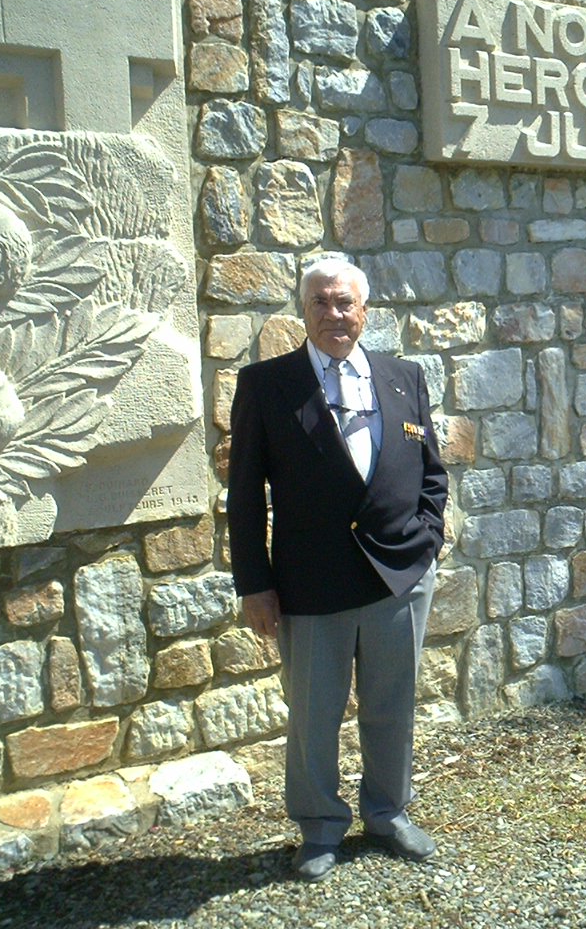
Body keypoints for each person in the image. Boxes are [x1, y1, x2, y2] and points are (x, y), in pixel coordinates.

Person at [228, 256, 448, 882]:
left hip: (398, 579)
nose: (334, 314)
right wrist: (255, 583)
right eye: (321, 302)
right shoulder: (266, 386)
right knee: (314, 715)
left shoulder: (403, 377)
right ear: (304, 310)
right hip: (310, 583)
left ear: (365, 311)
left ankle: (387, 812)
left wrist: (427, 539)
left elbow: (431, 471)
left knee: (392, 703)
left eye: (345, 302)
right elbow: (244, 495)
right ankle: (320, 826)